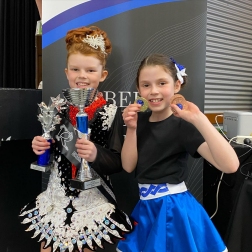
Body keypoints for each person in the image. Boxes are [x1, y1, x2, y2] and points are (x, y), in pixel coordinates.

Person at [19, 26, 133, 252]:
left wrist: (95, 154)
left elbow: (119, 162)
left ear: (103, 75)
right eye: (75, 69)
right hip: (56, 198)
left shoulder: (110, 111)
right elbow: (51, 153)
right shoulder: (56, 107)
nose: (82, 76)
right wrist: (41, 147)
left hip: (92, 200)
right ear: (66, 72)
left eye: (90, 70)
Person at [116, 53, 239, 252]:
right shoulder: (139, 122)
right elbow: (128, 166)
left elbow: (230, 165)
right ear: (138, 89)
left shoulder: (183, 125)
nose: (154, 91)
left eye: (162, 83)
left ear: (176, 86)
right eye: (146, 85)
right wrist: (130, 128)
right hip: (145, 209)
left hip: (175, 209)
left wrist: (198, 118)